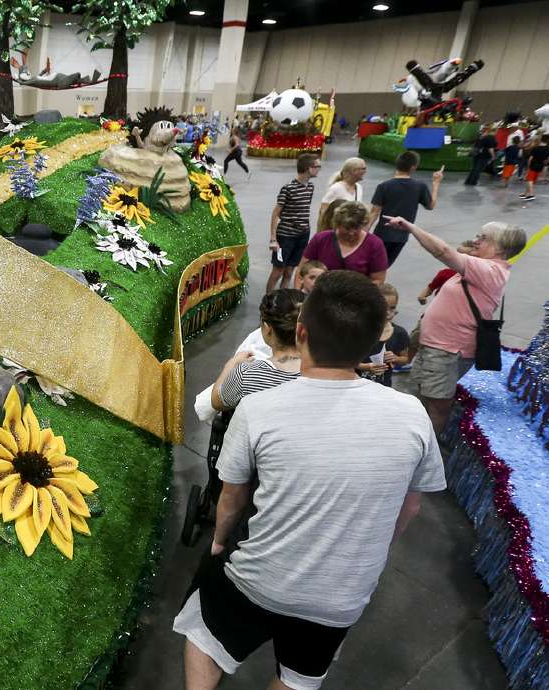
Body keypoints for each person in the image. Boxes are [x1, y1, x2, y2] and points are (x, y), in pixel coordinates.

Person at [175, 270, 445, 690]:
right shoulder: (413, 415)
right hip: (342, 598)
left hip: (256, 579)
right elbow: (410, 506)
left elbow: (231, 496)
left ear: (301, 332)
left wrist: (219, 543)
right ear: (377, 339)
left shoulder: (259, 408)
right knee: (299, 676)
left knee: (204, 633)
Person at [383, 216, 525, 433]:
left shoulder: (490, 271)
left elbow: (442, 251)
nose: (476, 241)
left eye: (484, 238)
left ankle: (425, 450)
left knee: (437, 405)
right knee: (421, 398)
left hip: (447, 351)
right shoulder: (483, 268)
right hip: (436, 347)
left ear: (500, 248)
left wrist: (411, 228)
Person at [211, 289, 304, 412]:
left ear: (267, 328)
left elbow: (217, 401)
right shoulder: (324, 371)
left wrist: (231, 364)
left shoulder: (246, 374)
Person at [367, 151, 442, 266]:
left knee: (372, 265)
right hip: (402, 236)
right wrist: (436, 183)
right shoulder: (420, 187)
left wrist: (363, 233)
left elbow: (374, 212)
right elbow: (431, 206)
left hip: (382, 234)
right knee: (384, 266)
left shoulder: (384, 186)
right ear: (413, 167)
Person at [267, 153, 320, 292]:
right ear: (309, 168)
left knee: (289, 272)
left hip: (302, 236)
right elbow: (276, 213)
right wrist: (273, 239)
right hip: (285, 237)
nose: (319, 169)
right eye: (317, 166)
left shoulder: (310, 187)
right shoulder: (288, 189)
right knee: (278, 270)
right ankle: (268, 300)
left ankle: (283, 298)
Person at [300, 200, 388, 284]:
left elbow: (378, 280)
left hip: (357, 295)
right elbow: (302, 270)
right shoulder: (321, 238)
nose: (351, 233)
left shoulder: (375, 244)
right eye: (347, 228)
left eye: (356, 228)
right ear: (337, 224)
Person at [358, 283, 410, 387]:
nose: (387, 312)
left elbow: (405, 359)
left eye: (392, 308)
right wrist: (366, 367)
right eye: (383, 307)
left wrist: (396, 358)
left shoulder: (399, 333)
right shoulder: (358, 330)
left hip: (384, 386)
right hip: (357, 386)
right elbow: (343, 363)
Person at [317, 157, 366, 231]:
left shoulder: (359, 187)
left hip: (351, 230)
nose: (365, 171)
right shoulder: (336, 188)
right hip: (336, 229)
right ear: (353, 170)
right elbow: (324, 211)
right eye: (363, 168)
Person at [520, 133, 547, 201]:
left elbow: (530, 159)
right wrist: (544, 164)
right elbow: (547, 159)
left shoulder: (535, 148)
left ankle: (531, 195)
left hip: (533, 165)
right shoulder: (547, 148)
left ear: (541, 139)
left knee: (529, 180)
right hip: (540, 165)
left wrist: (528, 166)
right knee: (531, 180)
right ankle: (525, 193)